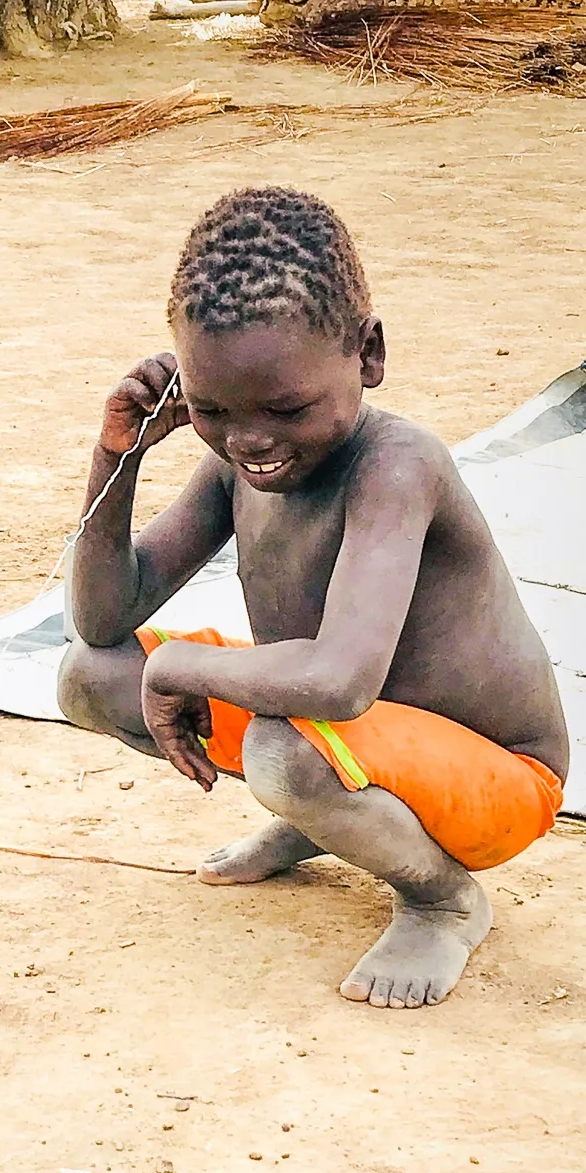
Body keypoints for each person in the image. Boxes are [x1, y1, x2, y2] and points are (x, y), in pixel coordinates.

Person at [58, 186, 568, 1009]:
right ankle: (324, 821)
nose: (251, 440)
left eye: (286, 408)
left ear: (366, 355)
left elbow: (340, 680)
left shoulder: (396, 467)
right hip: (350, 740)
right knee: (89, 673)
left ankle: (442, 899)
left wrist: (183, 667)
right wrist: (115, 459)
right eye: (213, 409)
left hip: (497, 782)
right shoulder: (238, 463)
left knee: (286, 747)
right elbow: (102, 618)